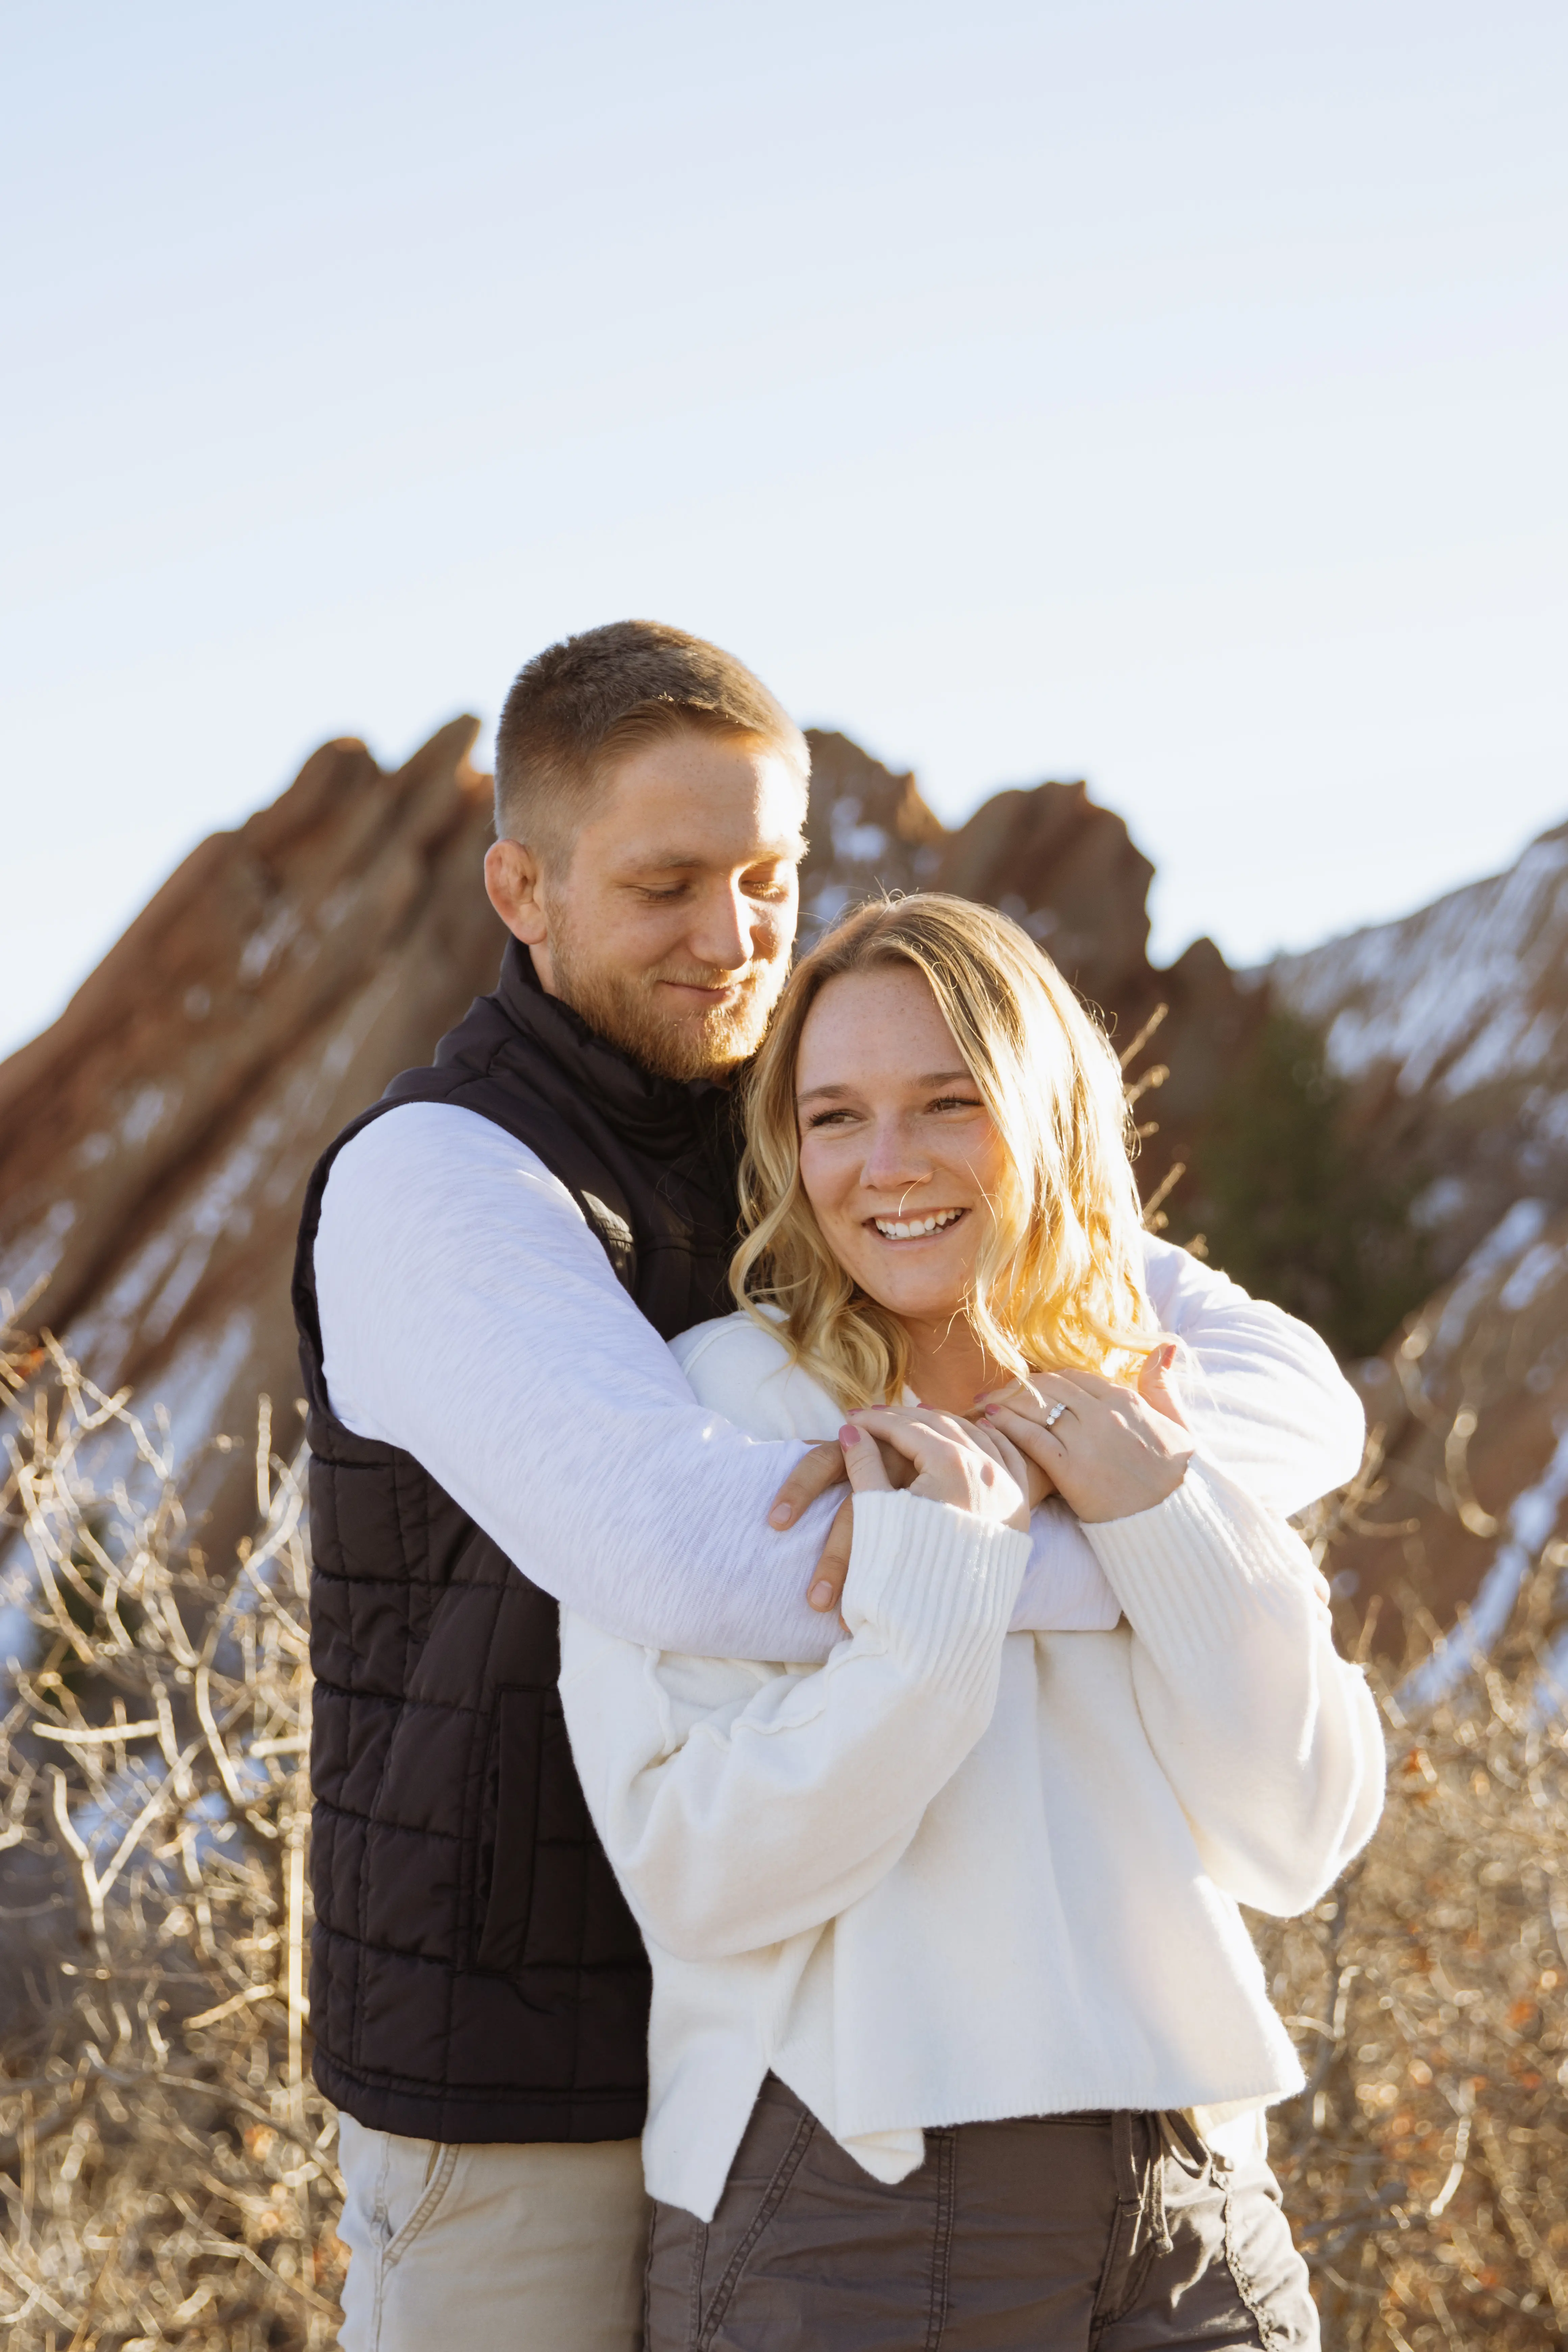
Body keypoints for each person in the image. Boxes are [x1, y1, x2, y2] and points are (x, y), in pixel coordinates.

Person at [293, 621, 1367, 2352]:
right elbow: (697, 1546)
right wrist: (1067, 1527)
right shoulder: (440, 1178)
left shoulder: (820, 1127)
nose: (730, 939)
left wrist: (1153, 1502)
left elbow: (1289, 1392)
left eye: (766, 878)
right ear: (521, 886)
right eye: (663, 885)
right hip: (526, 2077)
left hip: (986, 2101)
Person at [559, 893, 1385, 2351]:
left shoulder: (1147, 1407)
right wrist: (931, 1607)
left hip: (1191, 2203)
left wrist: (1164, 1517)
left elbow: (1298, 1830)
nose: (886, 1168)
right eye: (834, 1117)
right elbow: (698, 1876)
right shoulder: (714, 1412)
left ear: (1051, 1114)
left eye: (949, 1103)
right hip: (859, 2199)